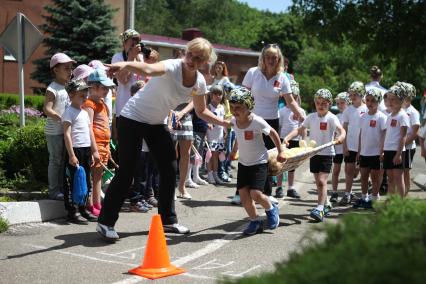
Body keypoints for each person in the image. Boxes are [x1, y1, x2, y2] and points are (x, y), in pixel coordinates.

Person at [97, 37, 229, 241]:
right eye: (190, 54)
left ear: (205, 62)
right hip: (132, 118)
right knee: (127, 171)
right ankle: (105, 222)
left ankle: (168, 220)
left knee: (169, 169)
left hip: (156, 123)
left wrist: (226, 123)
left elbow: (202, 111)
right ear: (186, 53)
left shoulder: (199, 82)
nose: (191, 59)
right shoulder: (171, 66)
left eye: (198, 58)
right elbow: (148, 70)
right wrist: (124, 64)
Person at [242, 44, 304, 203]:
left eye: (274, 57)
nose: (271, 60)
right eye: (268, 57)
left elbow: (290, 101)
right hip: (251, 120)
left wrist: (300, 114)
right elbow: (242, 96)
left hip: (271, 122)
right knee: (249, 154)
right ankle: (242, 192)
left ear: (279, 59)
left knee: (269, 157)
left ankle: (267, 193)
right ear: (263, 58)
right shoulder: (252, 73)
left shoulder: (283, 77)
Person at [285, 89, 345, 222]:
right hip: (314, 153)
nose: (321, 105)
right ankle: (326, 203)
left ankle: (319, 208)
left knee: (322, 181)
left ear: (329, 104)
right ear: (315, 103)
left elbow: (342, 130)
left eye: (324, 103)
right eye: (318, 102)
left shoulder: (331, 117)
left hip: (327, 154)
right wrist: (287, 138)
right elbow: (299, 129)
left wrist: (341, 137)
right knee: (318, 183)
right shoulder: (311, 117)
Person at [228, 87, 282, 235]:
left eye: (238, 107)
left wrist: (280, 151)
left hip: (259, 163)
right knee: (244, 196)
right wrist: (234, 151)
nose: (234, 110)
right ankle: (255, 221)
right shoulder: (234, 121)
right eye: (232, 107)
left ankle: (271, 209)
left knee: (256, 194)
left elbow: (273, 133)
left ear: (248, 106)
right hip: (243, 163)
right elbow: (239, 137)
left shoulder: (257, 121)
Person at [62, 79, 100, 223]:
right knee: (72, 181)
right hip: (75, 152)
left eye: (86, 95)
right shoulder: (68, 112)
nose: (85, 97)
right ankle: (72, 211)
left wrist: (95, 151)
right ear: (71, 95)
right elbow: (66, 134)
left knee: (85, 181)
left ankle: (83, 209)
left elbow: (90, 132)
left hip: (86, 151)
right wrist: (71, 155)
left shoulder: (84, 113)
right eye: (81, 95)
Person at [82, 68, 115, 216]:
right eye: (104, 88)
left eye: (108, 88)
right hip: (94, 146)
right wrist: (94, 149)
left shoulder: (102, 104)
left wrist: (108, 147)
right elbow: (88, 127)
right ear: (93, 87)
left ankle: (97, 203)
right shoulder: (89, 104)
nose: (107, 91)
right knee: (92, 175)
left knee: (98, 176)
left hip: (103, 146)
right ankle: (90, 204)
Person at [43, 52, 76, 200]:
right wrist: (60, 118)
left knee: (63, 161)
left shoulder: (67, 86)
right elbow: (47, 109)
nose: (70, 71)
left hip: (65, 130)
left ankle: (62, 189)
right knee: (55, 160)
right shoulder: (53, 88)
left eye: (71, 68)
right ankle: (53, 191)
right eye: (66, 68)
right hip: (54, 131)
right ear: (56, 70)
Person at [353, 89, 387, 208]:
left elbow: (384, 135)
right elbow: (361, 134)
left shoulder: (382, 117)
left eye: (373, 100)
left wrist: (382, 151)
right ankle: (364, 198)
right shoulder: (363, 117)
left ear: (378, 102)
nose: (370, 103)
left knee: (375, 177)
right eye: (367, 100)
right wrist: (358, 150)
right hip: (364, 152)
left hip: (376, 153)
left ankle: (374, 198)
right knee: (363, 176)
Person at [340, 81, 367, 206]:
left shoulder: (367, 109)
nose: (352, 97)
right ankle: (347, 194)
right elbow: (344, 129)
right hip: (350, 146)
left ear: (361, 94)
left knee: (363, 172)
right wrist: (344, 146)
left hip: (364, 147)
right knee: (349, 170)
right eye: (351, 94)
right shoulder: (348, 110)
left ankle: (364, 196)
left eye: (355, 94)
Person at [277, 80, 305, 198]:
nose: (291, 100)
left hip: (296, 141)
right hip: (283, 140)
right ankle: (279, 187)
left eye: (294, 97)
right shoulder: (282, 111)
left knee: (292, 166)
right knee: (281, 165)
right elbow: (279, 126)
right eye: (290, 97)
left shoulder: (301, 111)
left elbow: (302, 128)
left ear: (297, 97)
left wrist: (304, 140)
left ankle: (290, 187)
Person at [382, 84, 410, 198]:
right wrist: (383, 150)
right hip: (388, 150)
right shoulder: (390, 115)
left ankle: (401, 205)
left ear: (401, 100)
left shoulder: (402, 116)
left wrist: (398, 154)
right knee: (390, 178)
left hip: (397, 151)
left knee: (398, 178)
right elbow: (388, 134)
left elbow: (403, 136)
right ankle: (391, 201)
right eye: (389, 99)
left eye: (393, 99)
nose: (390, 102)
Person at [211, 60, 232, 182]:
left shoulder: (225, 79)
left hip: (223, 107)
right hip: (213, 107)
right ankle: (216, 170)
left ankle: (223, 169)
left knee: (224, 147)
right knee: (214, 148)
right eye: (216, 66)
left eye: (220, 67)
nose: (218, 68)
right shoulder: (213, 78)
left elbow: (228, 93)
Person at [399, 82, 420, 196]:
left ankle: (405, 193)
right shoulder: (399, 110)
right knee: (398, 171)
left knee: (405, 171)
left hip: (407, 147)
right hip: (399, 147)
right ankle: (400, 193)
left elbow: (414, 133)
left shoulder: (413, 112)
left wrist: (402, 144)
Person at [330, 92, 350, 203]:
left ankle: (348, 192)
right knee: (336, 170)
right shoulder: (336, 117)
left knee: (349, 170)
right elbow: (333, 132)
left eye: (342, 103)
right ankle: (334, 192)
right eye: (338, 103)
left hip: (349, 147)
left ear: (347, 103)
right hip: (338, 147)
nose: (340, 105)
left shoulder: (351, 115)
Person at [206, 84, 227, 184]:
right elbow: (205, 119)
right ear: (211, 95)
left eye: (220, 94)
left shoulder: (222, 107)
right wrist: (208, 124)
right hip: (210, 134)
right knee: (209, 155)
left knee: (216, 155)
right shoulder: (208, 107)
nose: (218, 96)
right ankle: (209, 175)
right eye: (216, 94)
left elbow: (223, 121)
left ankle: (215, 174)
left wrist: (225, 131)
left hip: (219, 135)